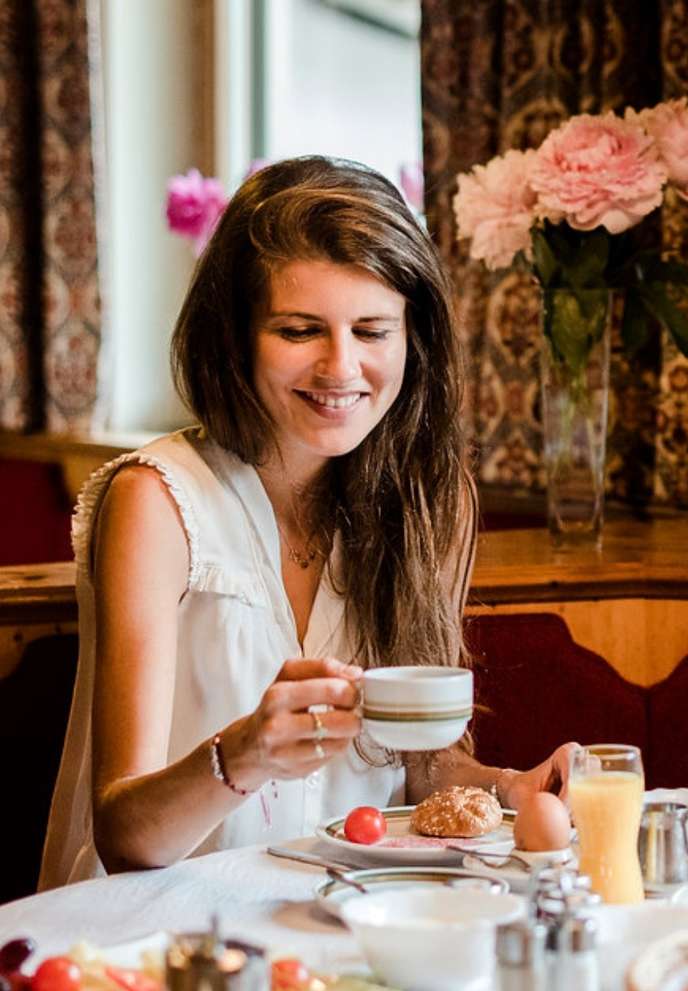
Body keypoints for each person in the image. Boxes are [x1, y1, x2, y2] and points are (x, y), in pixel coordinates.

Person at [41, 157, 576, 887]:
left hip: (351, 907)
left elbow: (425, 767)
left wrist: (510, 788)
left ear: (412, 341)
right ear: (234, 336)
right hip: (165, 932)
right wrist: (243, 755)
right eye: (299, 330)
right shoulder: (157, 502)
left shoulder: (432, 501)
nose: (341, 366)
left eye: (372, 330)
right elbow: (125, 837)